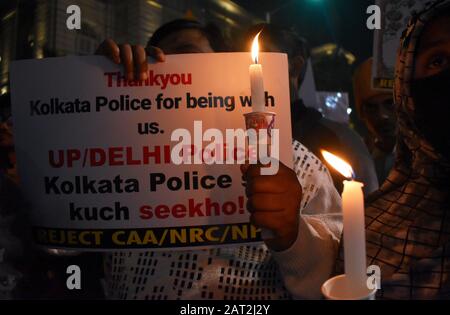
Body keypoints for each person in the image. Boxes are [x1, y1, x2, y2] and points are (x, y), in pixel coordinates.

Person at [96, 19, 342, 299]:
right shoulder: (118, 159)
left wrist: (293, 235)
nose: (167, 70)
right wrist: (88, 92)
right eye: (152, 62)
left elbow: (334, 277)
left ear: (227, 68)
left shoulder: (294, 163)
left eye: (187, 56)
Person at [250, 0, 450, 299]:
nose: (382, 116)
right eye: (437, 60)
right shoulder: (382, 225)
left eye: (386, 104)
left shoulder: (337, 139)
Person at [242, 24, 379, 195]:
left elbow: (369, 211)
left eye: (259, 59)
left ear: (295, 66)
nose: (244, 68)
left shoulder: (341, 141)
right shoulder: (223, 136)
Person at [353, 58, 396, 184]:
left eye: (390, 103)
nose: (382, 115)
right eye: (371, 107)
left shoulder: (428, 160)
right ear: (362, 114)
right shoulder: (357, 159)